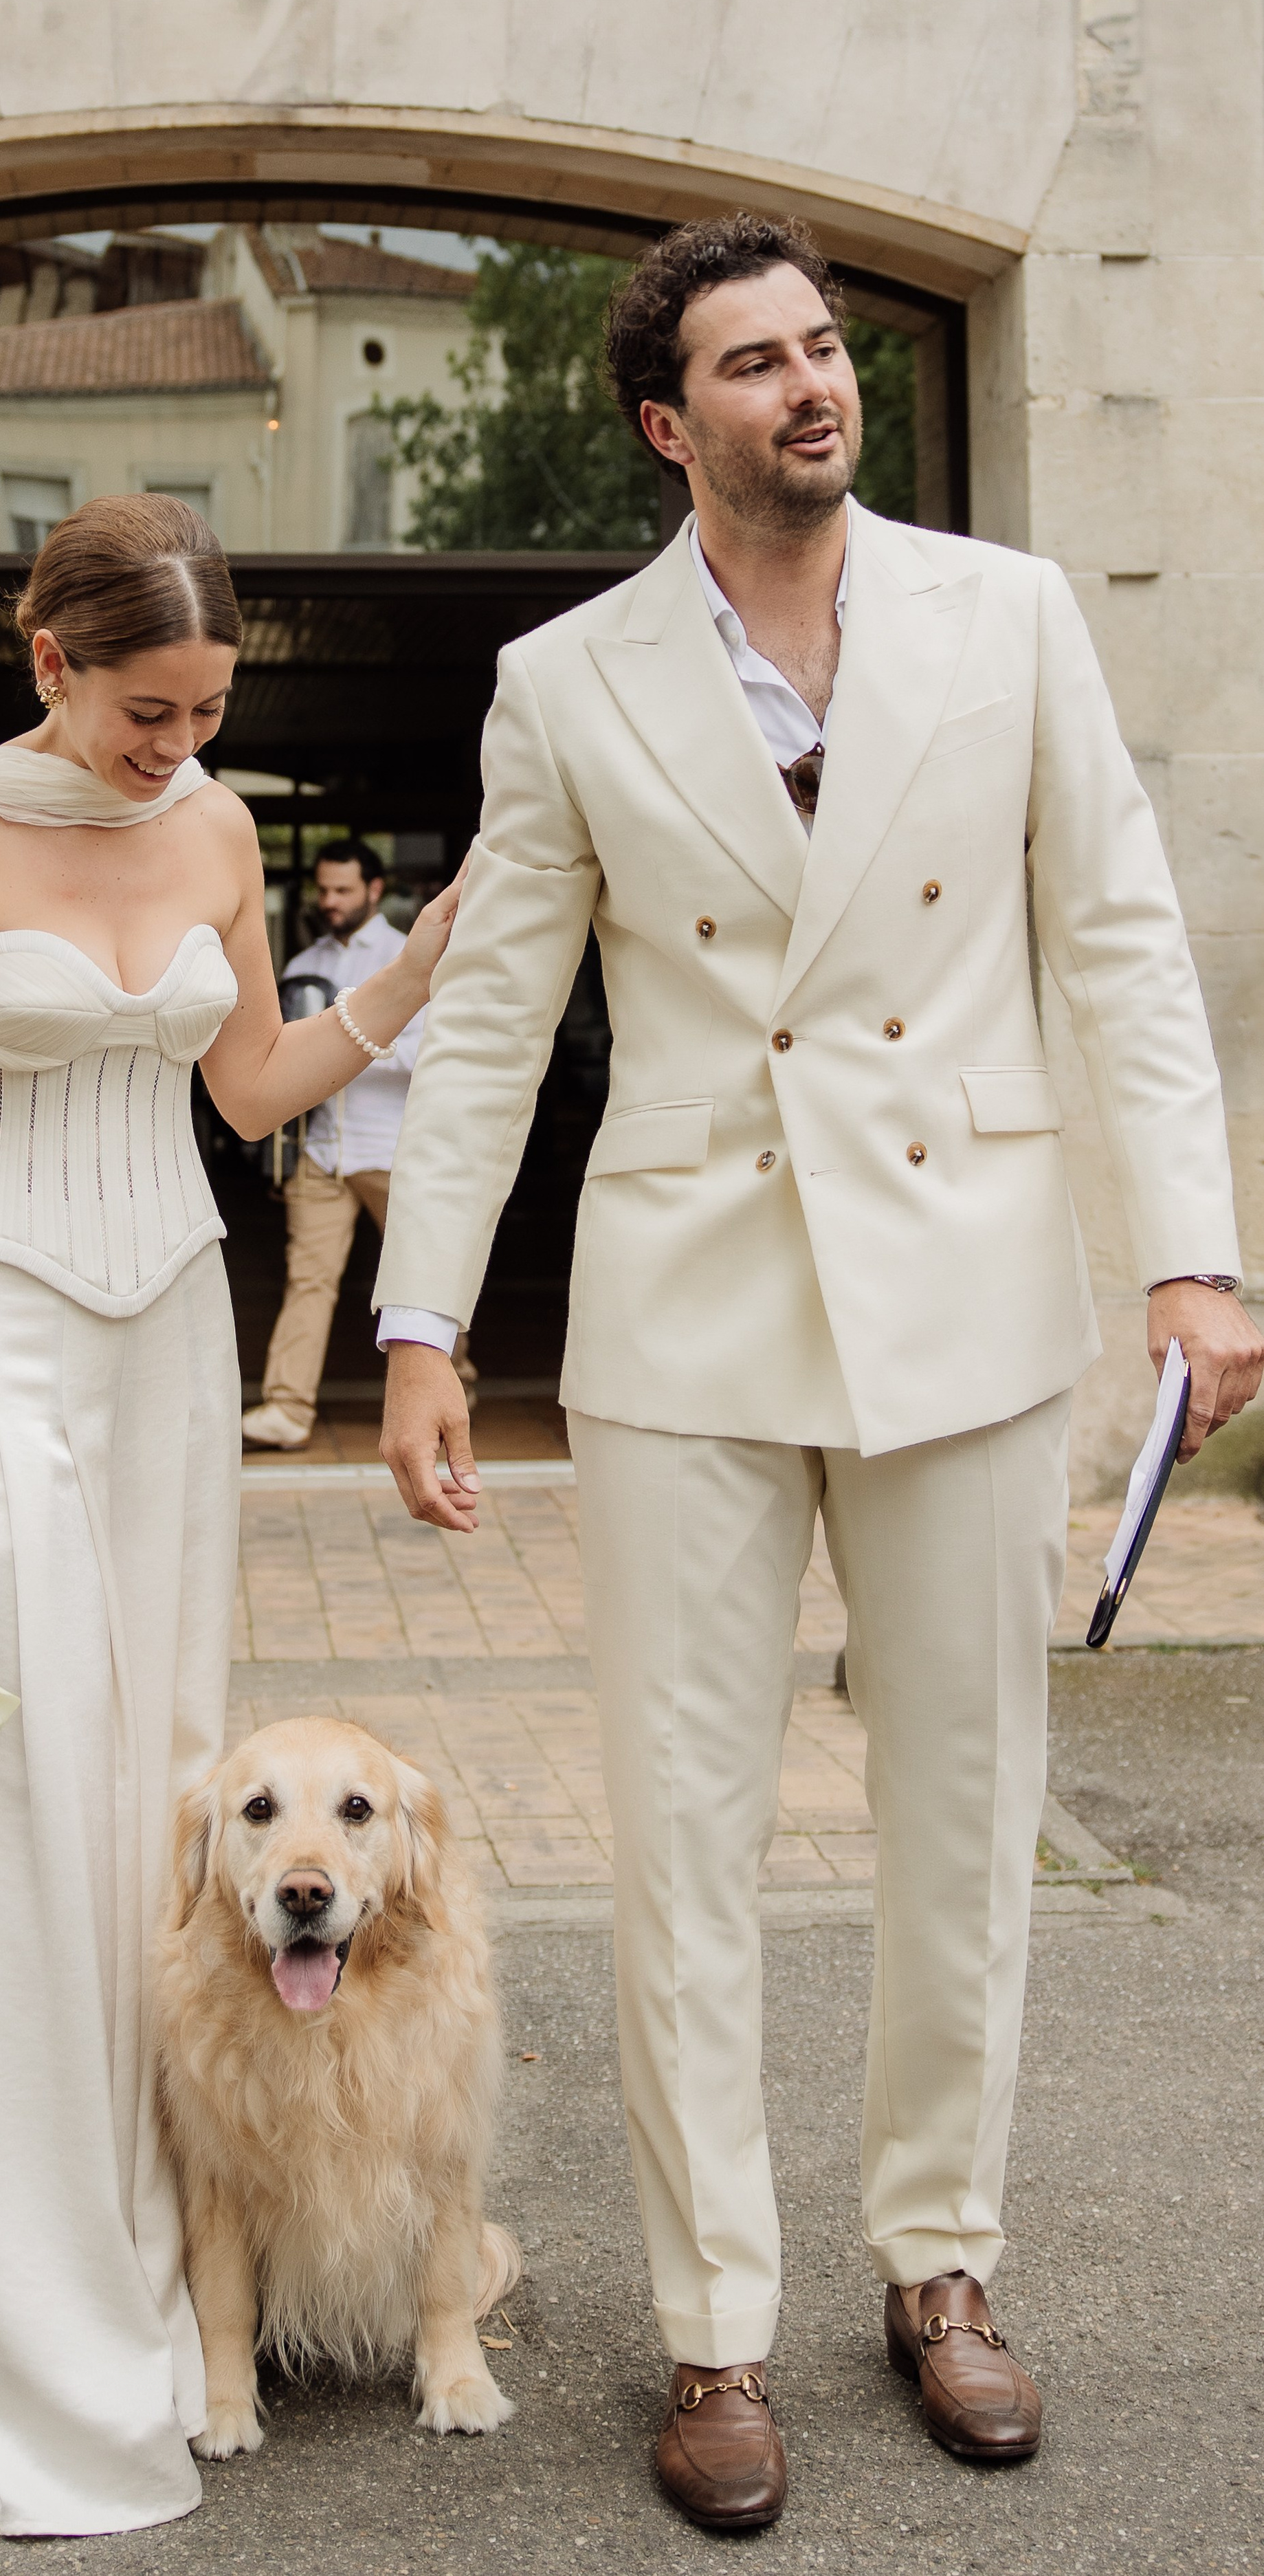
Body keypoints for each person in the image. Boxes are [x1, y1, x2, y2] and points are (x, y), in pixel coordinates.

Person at [373, 214, 1262, 2533]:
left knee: (965, 1815)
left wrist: (1195, 1259)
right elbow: (494, 1018)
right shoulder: (568, 682)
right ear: (674, 422)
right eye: (756, 363)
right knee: (685, 1840)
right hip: (691, 1308)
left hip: (967, 1284)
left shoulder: (1014, 616)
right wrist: (422, 1319)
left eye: (826, 346)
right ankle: (713, 2326)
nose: (813, 385)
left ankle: (941, 2267)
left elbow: (1123, 945)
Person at [0, 494, 460, 2538]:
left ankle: (176, 2246)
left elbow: (250, 1088)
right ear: (50, 657)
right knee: (16, 1777)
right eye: (146, 709)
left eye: (206, 711)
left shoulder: (225, 832)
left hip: (168, 1325)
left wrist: (417, 963)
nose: (178, 746)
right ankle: (13, 2291)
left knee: (161, 1779)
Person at [240, 838, 474, 1450]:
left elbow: (439, 1054)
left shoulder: (415, 957)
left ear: (375, 890)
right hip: (322, 1151)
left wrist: (345, 1044)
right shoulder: (301, 966)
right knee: (308, 1281)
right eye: (325, 890)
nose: (331, 901)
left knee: (423, 1278)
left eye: (344, 890)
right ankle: (287, 1411)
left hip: (396, 1152)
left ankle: (457, 1383)